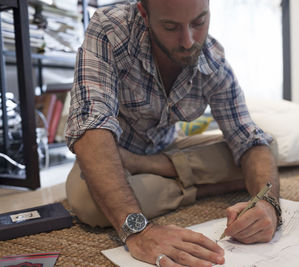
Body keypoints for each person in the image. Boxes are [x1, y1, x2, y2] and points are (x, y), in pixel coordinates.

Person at [65, 0, 281, 266]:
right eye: (170, 26)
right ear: (144, 12)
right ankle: (211, 185)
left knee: (267, 150)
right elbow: (91, 122)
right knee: (88, 203)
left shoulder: (213, 62)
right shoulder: (111, 28)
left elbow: (248, 138)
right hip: (114, 153)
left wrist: (269, 203)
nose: (189, 41)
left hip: (162, 153)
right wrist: (138, 230)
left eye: (199, 22)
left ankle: (154, 168)